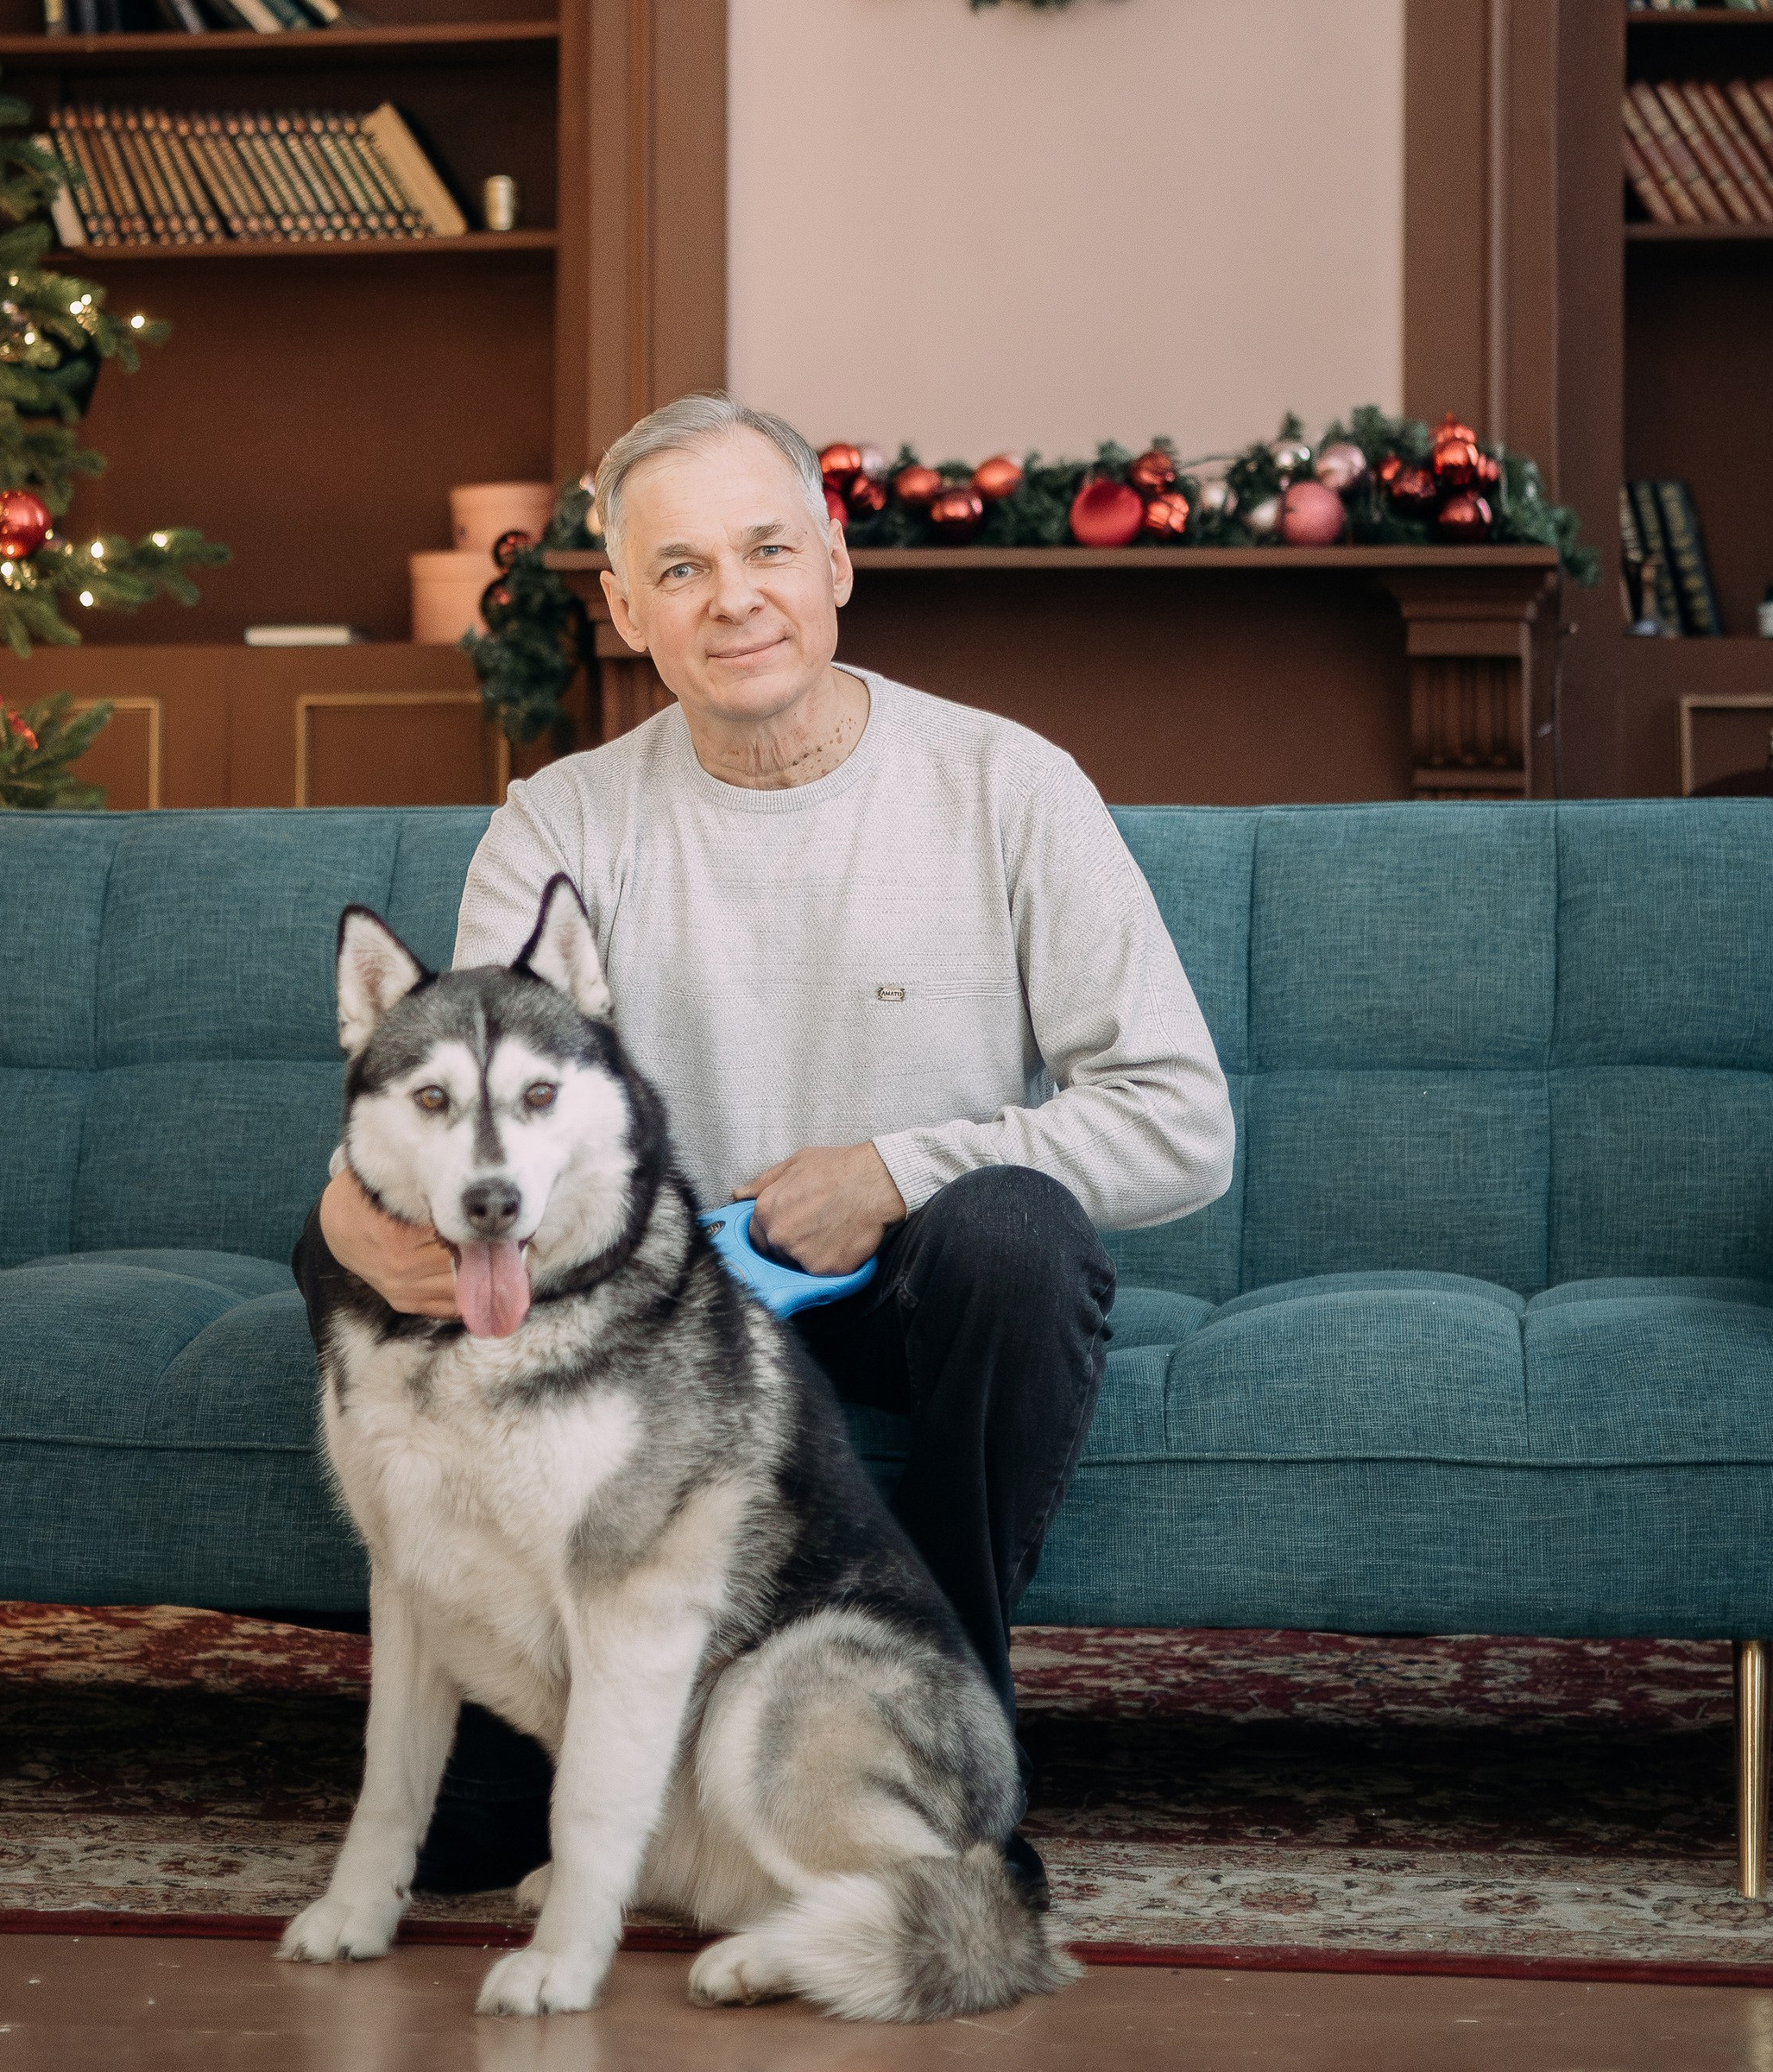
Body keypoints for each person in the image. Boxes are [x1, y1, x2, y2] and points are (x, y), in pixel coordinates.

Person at [293, 391, 1234, 1892]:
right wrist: (344, 1220)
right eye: (677, 570)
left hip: (919, 1298)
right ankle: (545, 1736)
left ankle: (931, 1745)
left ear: (837, 561)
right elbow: (456, 1113)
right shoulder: (560, 823)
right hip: (657, 1312)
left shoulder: (1009, 784)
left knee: (1014, 1229)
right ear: (624, 610)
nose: (732, 598)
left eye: (766, 550)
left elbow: (1185, 1120)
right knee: (347, 1242)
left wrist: (891, 1172)